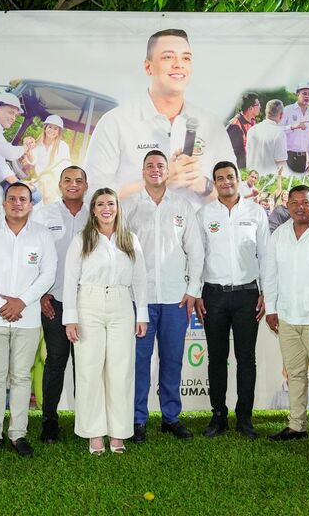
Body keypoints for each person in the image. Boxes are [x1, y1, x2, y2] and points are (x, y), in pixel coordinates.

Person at [83, 29, 238, 208]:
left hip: (196, 235)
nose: (179, 64)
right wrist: (159, 180)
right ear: (148, 67)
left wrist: (204, 186)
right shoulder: (116, 122)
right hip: (132, 235)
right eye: (168, 57)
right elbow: (91, 197)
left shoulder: (211, 125)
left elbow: (235, 199)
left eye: (186, 58)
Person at [0, 182, 57, 459]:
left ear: (30, 204)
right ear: (4, 203)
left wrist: (21, 301)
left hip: (28, 317)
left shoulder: (42, 235)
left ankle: (18, 434)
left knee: (21, 377)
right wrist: (1, 303)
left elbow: (48, 274)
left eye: (23, 199)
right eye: (12, 199)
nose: (17, 203)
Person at [124, 151, 204, 443]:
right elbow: (120, 252)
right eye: (150, 165)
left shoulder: (182, 205)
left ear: (167, 171)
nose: (155, 170)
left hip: (175, 299)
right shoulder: (129, 205)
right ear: (142, 170)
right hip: (139, 301)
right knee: (139, 362)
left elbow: (195, 251)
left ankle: (171, 418)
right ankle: (137, 419)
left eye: (160, 165)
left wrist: (193, 290)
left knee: (172, 361)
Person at [63, 188, 148, 454]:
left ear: (117, 207)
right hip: (88, 302)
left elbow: (140, 279)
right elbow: (69, 281)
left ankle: (119, 433)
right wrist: (70, 319)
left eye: (111, 203)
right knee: (89, 370)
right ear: (93, 210)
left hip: (122, 304)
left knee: (120, 371)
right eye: (100, 204)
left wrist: (141, 313)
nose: (106, 208)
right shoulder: (82, 239)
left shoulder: (129, 239)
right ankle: (94, 433)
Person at [197, 161, 270, 439]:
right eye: (220, 178)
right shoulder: (204, 214)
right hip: (213, 296)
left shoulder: (256, 212)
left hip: (247, 295)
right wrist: (197, 292)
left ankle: (244, 418)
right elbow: (197, 257)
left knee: (246, 359)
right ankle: (218, 416)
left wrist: (265, 292)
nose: (225, 182)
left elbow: (266, 256)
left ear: (239, 180)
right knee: (216, 358)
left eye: (230, 177)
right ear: (214, 183)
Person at [262, 185, 309, 452]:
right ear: (287, 205)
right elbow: (270, 274)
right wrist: (271, 308)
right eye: (295, 203)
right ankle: (296, 425)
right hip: (287, 316)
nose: (300, 207)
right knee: (294, 374)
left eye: (306, 202)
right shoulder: (279, 234)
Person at [32, 166, 90, 443]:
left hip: (88, 303)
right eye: (68, 180)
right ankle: (49, 422)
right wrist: (41, 294)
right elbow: (34, 257)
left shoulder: (96, 213)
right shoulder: (44, 214)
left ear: (86, 185)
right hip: (53, 302)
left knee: (86, 365)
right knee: (56, 362)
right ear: (59, 184)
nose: (73, 184)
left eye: (79, 180)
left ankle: (86, 421)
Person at [281, 82, 309, 174]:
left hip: (303, 158)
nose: (307, 96)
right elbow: (277, 131)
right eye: (304, 93)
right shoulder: (287, 110)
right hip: (287, 155)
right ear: (297, 94)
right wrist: (293, 127)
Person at [246, 99, 288, 176]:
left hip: (251, 177)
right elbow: (281, 165)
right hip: (269, 182)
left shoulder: (252, 130)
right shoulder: (279, 133)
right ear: (281, 115)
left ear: (266, 112)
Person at [226, 92, 261, 169]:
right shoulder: (235, 126)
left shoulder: (252, 121)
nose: (260, 107)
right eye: (258, 105)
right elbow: (233, 155)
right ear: (250, 108)